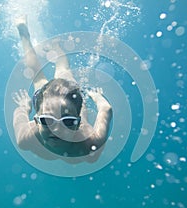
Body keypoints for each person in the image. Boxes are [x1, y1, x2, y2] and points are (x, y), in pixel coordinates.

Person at [12, 16, 112, 161]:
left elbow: (106, 109)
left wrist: (97, 97)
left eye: (68, 121)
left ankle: (55, 46)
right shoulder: (25, 138)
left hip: (62, 98)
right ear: (36, 120)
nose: (56, 130)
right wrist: (24, 108)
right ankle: (25, 34)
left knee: (47, 74)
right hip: (49, 97)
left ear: (78, 124)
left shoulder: (89, 144)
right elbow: (106, 109)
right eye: (47, 120)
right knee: (51, 74)